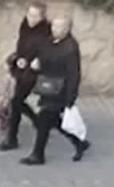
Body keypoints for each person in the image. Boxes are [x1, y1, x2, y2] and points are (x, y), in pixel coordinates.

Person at [21, 16, 90, 165]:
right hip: (47, 87)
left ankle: (38, 155)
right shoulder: (49, 41)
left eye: (59, 27)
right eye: (54, 26)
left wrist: (71, 97)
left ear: (67, 29)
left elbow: (74, 73)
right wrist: (37, 63)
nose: (55, 29)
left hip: (60, 90)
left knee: (45, 119)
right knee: (54, 121)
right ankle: (79, 142)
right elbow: (44, 56)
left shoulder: (70, 47)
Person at [0, 2, 50, 152]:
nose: (31, 19)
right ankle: (36, 121)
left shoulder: (46, 32)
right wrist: (19, 58)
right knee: (16, 101)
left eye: (35, 16)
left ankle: (12, 138)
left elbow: (47, 51)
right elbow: (21, 45)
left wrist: (38, 61)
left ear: (42, 17)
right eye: (29, 14)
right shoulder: (25, 26)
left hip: (34, 73)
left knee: (16, 101)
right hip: (21, 69)